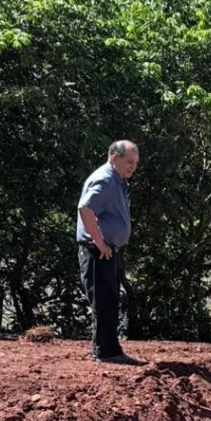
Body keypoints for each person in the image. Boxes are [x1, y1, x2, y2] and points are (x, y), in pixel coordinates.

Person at [76, 140, 139, 364]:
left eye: (136, 163)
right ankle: (106, 353)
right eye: (129, 161)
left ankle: (110, 350)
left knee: (110, 299)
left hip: (107, 250)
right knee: (103, 300)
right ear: (114, 158)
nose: (133, 166)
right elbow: (85, 208)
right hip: (97, 251)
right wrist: (100, 243)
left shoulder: (116, 180)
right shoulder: (105, 179)